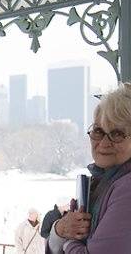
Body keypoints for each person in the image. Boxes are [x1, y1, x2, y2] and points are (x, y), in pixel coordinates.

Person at [47, 83, 131, 253]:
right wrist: (60, 229)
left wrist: (68, 241)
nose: (104, 143)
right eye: (98, 131)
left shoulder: (127, 187)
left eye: (117, 134)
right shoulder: (102, 181)